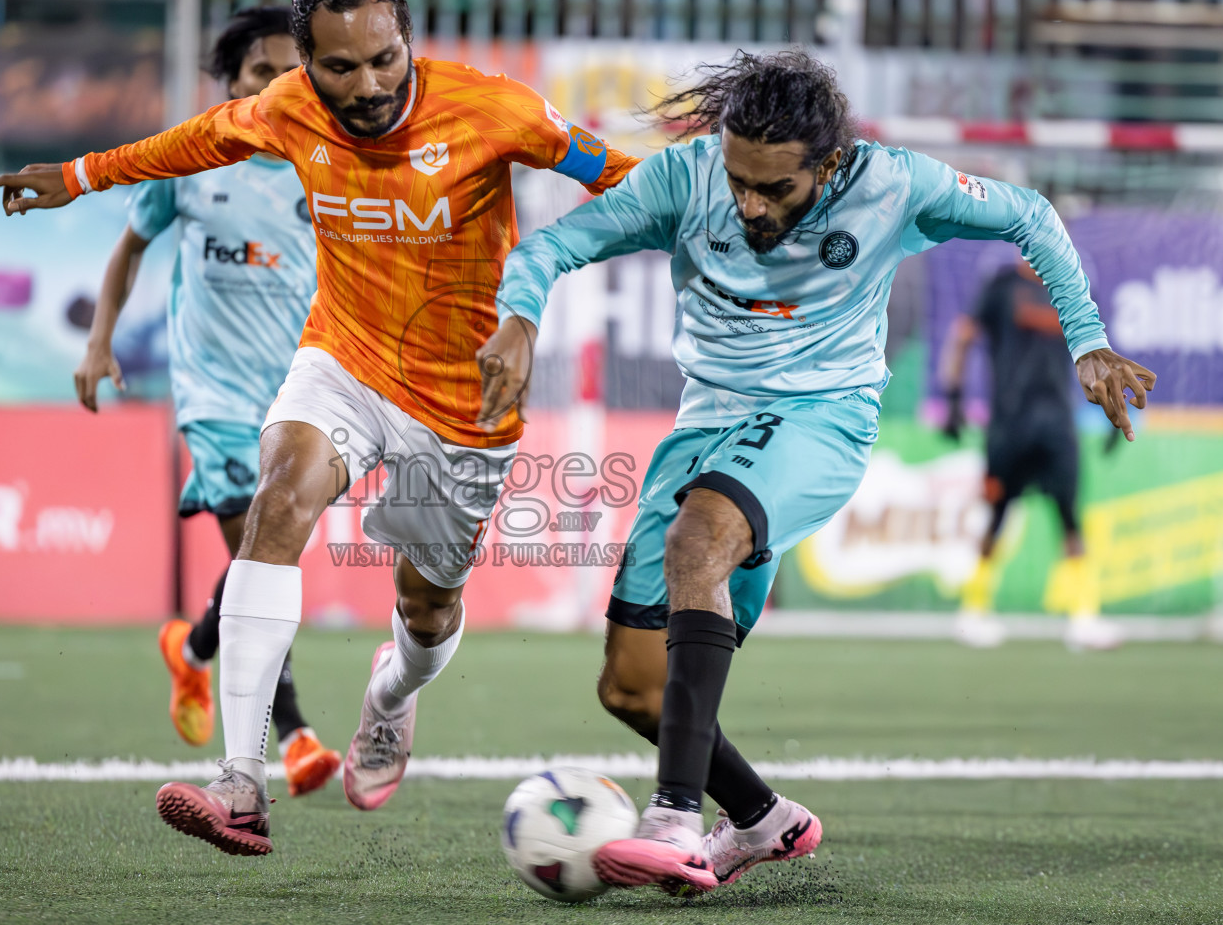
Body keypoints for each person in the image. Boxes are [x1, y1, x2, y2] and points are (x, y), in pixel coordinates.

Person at [0, 0, 636, 857]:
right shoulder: (289, 109)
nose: (367, 85)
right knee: (275, 504)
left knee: (428, 611)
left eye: (384, 60)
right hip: (344, 360)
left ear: (407, 39)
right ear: (305, 61)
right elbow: (196, 140)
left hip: (461, 401)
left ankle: (390, 700)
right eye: (339, 67)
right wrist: (83, 175)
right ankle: (241, 782)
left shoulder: (497, 108)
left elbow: (633, 187)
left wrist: (717, 237)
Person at [477, 51, 1155, 895]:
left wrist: (1086, 336)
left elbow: (1031, 215)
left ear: (829, 164)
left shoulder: (893, 185)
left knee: (700, 541)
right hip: (707, 425)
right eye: (738, 181)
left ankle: (674, 820)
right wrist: (520, 318)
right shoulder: (685, 181)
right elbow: (550, 248)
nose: (750, 204)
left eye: (775, 189)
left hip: (822, 419)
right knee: (632, 689)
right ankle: (761, 819)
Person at [73, 6, 343, 795]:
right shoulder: (192, 162)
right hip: (215, 392)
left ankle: (192, 651)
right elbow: (130, 248)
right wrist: (100, 340)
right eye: (264, 72)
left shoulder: (322, 162)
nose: (281, 85)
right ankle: (293, 736)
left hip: (299, 387)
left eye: (294, 72)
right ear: (230, 83)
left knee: (268, 552)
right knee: (255, 549)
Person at [940, 257, 1125, 651]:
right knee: (995, 517)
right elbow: (962, 335)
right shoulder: (1001, 288)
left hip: (1057, 424)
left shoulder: (1069, 291)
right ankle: (972, 612)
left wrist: (1114, 410)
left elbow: (1096, 355)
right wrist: (953, 398)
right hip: (1009, 425)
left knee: (1071, 519)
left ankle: (1083, 618)